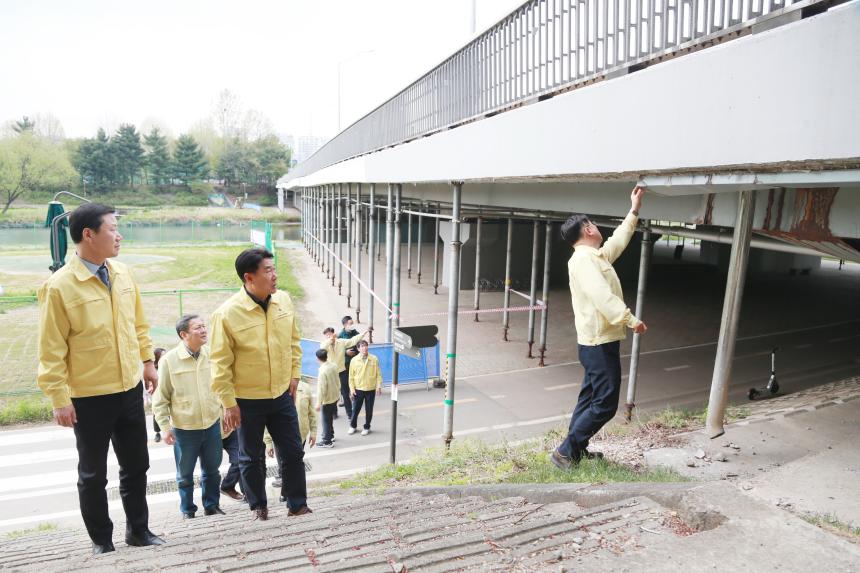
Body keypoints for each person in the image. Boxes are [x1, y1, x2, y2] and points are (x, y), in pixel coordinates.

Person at [36, 203, 165, 554]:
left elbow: (138, 324)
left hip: (128, 388)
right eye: (111, 228)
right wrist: (59, 398)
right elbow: (51, 349)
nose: (119, 235)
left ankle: (139, 530)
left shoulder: (122, 273)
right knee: (93, 474)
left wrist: (147, 362)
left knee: (137, 465)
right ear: (88, 235)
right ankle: (101, 541)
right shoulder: (59, 287)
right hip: (89, 396)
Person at [210, 247, 311, 521]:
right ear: (249, 277)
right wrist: (228, 403)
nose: (275, 275)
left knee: (292, 451)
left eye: (274, 269)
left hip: (280, 393)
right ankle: (258, 507)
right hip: (246, 400)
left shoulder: (284, 301)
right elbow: (219, 363)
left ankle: (297, 504)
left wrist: (294, 375)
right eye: (268, 270)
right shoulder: (227, 314)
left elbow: (293, 342)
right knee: (250, 457)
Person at [551, 186, 649, 470]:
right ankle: (565, 452)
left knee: (590, 398)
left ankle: (576, 450)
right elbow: (601, 297)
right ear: (588, 231)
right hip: (598, 342)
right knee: (605, 403)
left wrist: (634, 210)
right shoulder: (583, 261)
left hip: (596, 341)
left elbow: (618, 242)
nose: (596, 226)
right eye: (592, 223)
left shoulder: (593, 257)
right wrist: (630, 320)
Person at [152, 315, 224, 519]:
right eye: (198, 328)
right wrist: (165, 428)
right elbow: (161, 397)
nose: (203, 330)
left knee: (212, 470)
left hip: (211, 424)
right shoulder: (169, 361)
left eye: (204, 326)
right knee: (184, 475)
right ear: (184, 334)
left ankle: (212, 506)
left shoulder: (211, 355)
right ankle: (188, 510)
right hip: (185, 429)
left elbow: (222, 386)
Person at [267, 378, 316, 488]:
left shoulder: (305, 388)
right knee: (284, 464)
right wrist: (268, 443)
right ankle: (285, 490)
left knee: (295, 463)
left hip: (300, 434)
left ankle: (294, 492)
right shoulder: (276, 389)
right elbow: (267, 419)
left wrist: (313, 432)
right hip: (279, 435)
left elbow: (311, 412)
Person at [320, 323, 366, 420]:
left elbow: (352, 341)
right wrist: (330, 340)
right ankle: (334, 413)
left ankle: (350, 414)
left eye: (329, 334)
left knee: (345, 393)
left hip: (342, 371)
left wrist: (363, 334)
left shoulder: (341, 342)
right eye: (326, 335)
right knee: (332, 393)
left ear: (334, 333)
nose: (328, 336)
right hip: (331, 373)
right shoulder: (325, 344)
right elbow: (322, 348)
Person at [348, 340, 383, 436]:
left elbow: (378, 374)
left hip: (370, 389)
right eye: (362, 346)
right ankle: (353, 426)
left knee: (369, 410)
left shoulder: (374, 359)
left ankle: (367, 427)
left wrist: (378, 386)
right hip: (358, 389)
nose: (365, 348)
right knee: (355, 410)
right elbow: (351, 377)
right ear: (358, 349)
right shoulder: (354, 360)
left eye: (366, 346)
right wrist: (352, 389)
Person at [315, 348, 340, 448]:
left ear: (317, 358)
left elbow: (322, 389)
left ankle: (327, 441)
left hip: (327, 399)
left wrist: (318, 403)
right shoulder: (333, 366)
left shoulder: (322, 371)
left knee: (325, 420)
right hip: (335, 396)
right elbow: (338, 381)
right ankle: (331, 436)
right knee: (329, 419)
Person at [337, 316, 361, 417]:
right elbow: (336, 351)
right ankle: (346, 402)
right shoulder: (340, 335)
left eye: (352, 323)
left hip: (355, 363)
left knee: (356, 382)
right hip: (345, 364)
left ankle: (355, 401)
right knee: (344, 385)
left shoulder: (355, 332)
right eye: (350, 323)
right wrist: (346, 352)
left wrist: (356, 351)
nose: (352, 325)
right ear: (345, 324)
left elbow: (360, 343)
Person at [220, 425, 246, 502]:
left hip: (230, 430)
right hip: (210, 431)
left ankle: (247, 493)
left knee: (242, 458)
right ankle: (210, 505)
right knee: (209, 470)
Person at [148, 348, 166, 442]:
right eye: (162, 355)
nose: (165, 357)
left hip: (168, 394)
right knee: (157, 413)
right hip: (157, 395)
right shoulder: (153, 370)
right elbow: (150, 386)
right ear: (157, 357)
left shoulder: (167, 366)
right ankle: (157, 433)